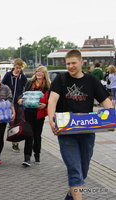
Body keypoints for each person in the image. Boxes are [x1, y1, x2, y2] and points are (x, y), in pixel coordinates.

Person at [48, 49, 113, 200]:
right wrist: (51, 119)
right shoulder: (61, 79)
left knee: (83, 170)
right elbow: (52, 100)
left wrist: (111, 118)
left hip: (87, 132)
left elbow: (106, 102)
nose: (70, 66)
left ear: (81, 62)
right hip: (66, 132)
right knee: (75, 171)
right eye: (68, 63)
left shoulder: (91, 81)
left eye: (73, 63)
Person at [17, 66, 50, 166]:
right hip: (28, 112)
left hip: (39, 114)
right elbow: (22, 94)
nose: (39, 73)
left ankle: (37, 154)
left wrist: (46, 105)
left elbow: (52, 101)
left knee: (37, 135)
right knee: (28, 134)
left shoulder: (48, 86)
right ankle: (27, 158)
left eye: (41, 72)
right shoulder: (29, 83)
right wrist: (20, 99)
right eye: (37, 71)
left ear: (45, 74)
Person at [2, 58, 28, 152]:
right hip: (9, 103)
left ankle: (15, 143)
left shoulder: (22, 76)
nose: (18, 70)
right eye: (17, 67)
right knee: (11, 122)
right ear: (14, 66)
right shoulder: (8, 75)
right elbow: (2, 85)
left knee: (18, 122)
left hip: (18, 103)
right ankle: (13, 140)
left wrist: (22, 97)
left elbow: (27, 87)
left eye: (20, 68)